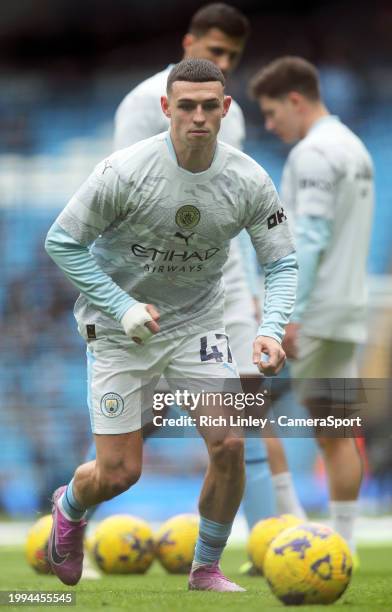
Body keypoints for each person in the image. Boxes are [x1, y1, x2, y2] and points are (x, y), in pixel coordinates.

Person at [45, 58, 297, 590]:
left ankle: (205, 567)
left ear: (226, 109)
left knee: (230, 442)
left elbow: (280, 261)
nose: (198, 117)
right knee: (119, 473)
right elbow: (62, 242)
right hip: (118, 331)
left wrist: (271, 328)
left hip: (198, 324)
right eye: (186, 106)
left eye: (210, 106)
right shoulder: (124, 172)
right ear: (167, 109)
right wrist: (121, 306)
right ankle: (69, 507)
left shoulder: (248, 179)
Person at [114, 2, 305, 528]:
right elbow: (122, 203)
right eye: (215, 49)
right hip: (156, 289)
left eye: (233, 55)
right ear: (188, 44)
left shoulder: (233, 113)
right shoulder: (139, 106)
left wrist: (252, 297)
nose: (225, 60)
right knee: (140, 424)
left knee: (246, 409)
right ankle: (78, 508)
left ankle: (279, 535)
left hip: (224, 288)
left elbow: (237, 211)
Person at [250, 56, 374, 556]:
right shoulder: (355, 149)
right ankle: (340, 547)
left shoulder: (313, 154)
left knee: (235, 408)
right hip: (348, 310)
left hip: (313, 313)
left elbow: (313, 237)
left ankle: (289, 522)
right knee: (335, 431)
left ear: (295, 100)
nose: (269, 123)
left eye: (271, 111)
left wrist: (288, 315)